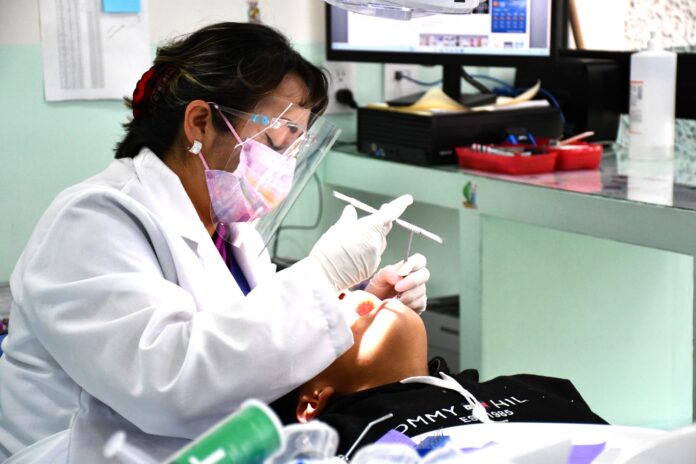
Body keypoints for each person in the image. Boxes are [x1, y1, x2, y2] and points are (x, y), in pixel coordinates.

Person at [0, 22, 430, 463]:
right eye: (274, 141)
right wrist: (323, 278)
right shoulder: (93, 220)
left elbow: (254, 344)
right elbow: (167, 383)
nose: (282, 165)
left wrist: (352, 304)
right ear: (200, 123)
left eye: (294, 147)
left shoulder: (226, 228)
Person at [270, 291, 607, 456]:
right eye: (322, 323)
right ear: (312, 401)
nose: (344, 295)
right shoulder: (343, 439)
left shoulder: (532, 386)